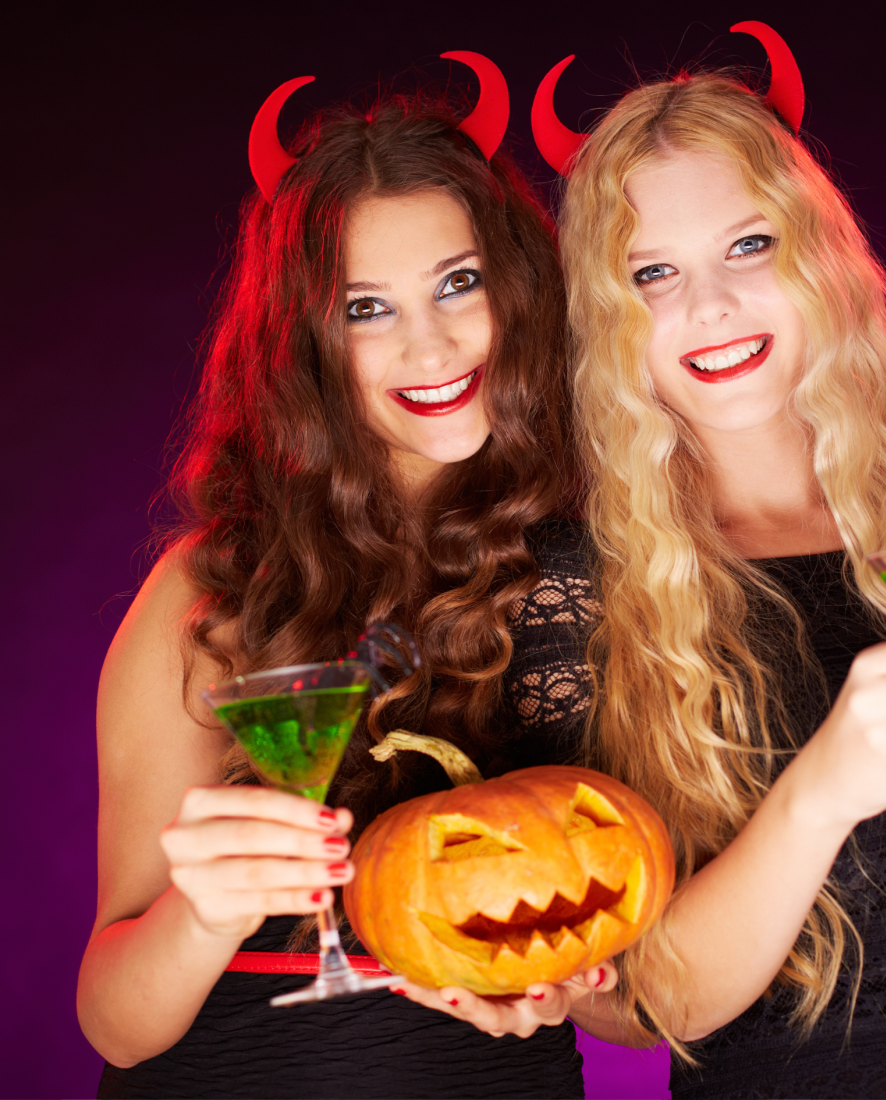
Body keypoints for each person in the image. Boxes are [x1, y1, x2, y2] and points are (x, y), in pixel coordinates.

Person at [495, 26, 886, 1098]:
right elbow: (634, 1004)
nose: (708, 305)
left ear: (819, 256)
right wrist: (823, 786)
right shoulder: (574, 595)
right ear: (606, 316)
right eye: (651, 273)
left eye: (747, 246)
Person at [77, 59, 615, 1100]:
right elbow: (114, 1016)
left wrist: (568, 987)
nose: (430, 343)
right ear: (307, 345)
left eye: (457, 283)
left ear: (516, 286)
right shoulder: (214, 592)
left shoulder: (594, 568)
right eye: (366, 309)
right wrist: (204, 911)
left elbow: (631, 975)